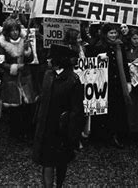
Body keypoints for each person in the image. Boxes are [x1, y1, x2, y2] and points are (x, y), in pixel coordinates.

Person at [33, 44, 84, 188]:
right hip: (47, 126)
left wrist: (73, 135)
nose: (48, 60)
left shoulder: (73, 80)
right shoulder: (48, 75)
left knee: (61, 162)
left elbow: (77, 110)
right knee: (47, 162)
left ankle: (59, 184)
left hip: (62, 130)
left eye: (51, 57)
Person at [0, 18, 36, 140]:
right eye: (12, 30)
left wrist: (27, 51)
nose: (14, 33)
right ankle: (15, 133)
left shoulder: (25, 40)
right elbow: (0, 63)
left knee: (27, 107)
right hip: (11, 78)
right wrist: (12, 67)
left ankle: (27, 131)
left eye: (16, 30)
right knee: (14, 108)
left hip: (25, 77)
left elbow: (31, 59)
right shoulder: (2, 45)